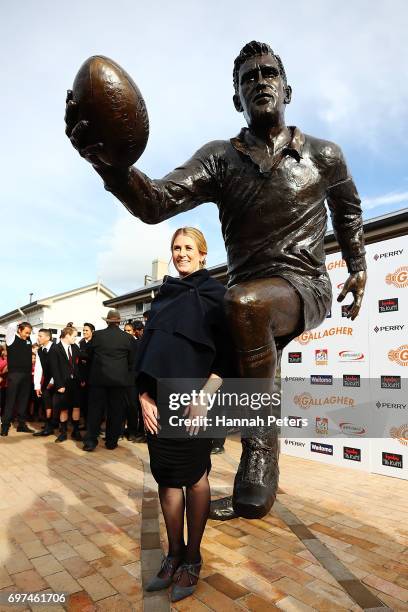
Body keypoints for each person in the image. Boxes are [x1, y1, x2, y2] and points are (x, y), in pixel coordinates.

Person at [65, 40, 367, 521]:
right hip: (247, 294)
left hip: (303, 283)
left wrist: (358, 266)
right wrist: (109, 164)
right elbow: (157, 202)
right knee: (230, 324)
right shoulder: (220, 158)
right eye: (248, 78)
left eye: (269, 73)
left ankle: (259, 453)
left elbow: (348, 211)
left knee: (245, 307)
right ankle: (190, 460)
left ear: (287, 89)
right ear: (236, 100)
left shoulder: (325, 155)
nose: (260, 81)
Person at [136, 227, 235, 602]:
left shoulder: (217, 295)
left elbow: (228, 354)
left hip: (196, 401)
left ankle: (193, 558)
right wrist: (143, 394)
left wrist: (204, 396)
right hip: (159, 402)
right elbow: (148, 352)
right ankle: (173, 553)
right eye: (176, 248)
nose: (181, 254)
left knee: (194, 479)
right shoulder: (165, 296)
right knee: (165, 479)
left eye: (188, 248)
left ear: (204, 254)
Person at [83, 309, 134, 451]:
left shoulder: (97, 335)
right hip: (118, 381)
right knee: (115, 412)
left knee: (95, 411)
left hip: (98, 379)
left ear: (107, 321)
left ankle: (90, 442)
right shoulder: (127, 338)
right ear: (118, 322)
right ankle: (111, 442)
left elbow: (89, 355)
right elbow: (131, 361)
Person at [48, 325, 82, 443]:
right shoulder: (55, 349)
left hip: (75, 383)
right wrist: (59, 385)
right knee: (64, 408)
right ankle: (63, 432)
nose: (76, 338)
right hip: (63, 384)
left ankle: (76, 431)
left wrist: (81, 379)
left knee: (76, 406)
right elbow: (54, 369)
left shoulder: (75, 347)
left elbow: (80, 363)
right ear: (67, 335)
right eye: (74, 336)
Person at [1, 321, 35, 435]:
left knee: (23, 401)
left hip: (27, 375)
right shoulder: (11, 339)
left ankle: (21, 425)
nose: (28, 335)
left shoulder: (29, 340)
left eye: (29, 333)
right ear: (19, 330)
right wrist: (21, 322)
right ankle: (5, 426)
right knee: (10, 401)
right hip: (15, 375)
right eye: (26, 332)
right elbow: (10, 326)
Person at [33, 328, 56, 437]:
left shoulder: (57, 348)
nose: (38, 338)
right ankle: (48, 427)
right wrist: (37, 386)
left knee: (59, 405)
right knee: (46, 403)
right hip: (46, 381)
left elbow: (59, 367)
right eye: (38, 335)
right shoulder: (39, 351)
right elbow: (38, 369)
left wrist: (53, 381)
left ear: (48, 337)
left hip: (59, 380)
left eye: (40, 336)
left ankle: (61, 428)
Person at [78, 322, 95, 429]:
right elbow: (80, 362)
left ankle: (91, 425)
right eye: (83, 330)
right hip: (82, 377)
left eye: (86, 330)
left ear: (92, 331)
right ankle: (85, 423)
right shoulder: (81, 343)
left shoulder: (95, 343)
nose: (84, 332)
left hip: (92, 377)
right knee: (83, 402)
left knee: (92, 403)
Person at [0, 345, 7, 418]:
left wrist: (2, 375)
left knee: (3, 402)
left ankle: (2, 416)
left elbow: (6, 370)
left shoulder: (6, 360)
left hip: (4, 384)